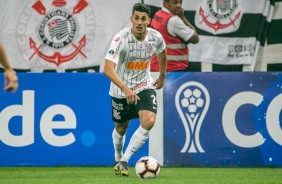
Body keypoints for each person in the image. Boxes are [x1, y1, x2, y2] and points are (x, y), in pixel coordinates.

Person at [103, 3, 167, 177]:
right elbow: (108, 68)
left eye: (143, 19)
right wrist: (125, 88)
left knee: (148, 121)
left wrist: (162, 76)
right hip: (120, 89)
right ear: (131, 19)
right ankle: (117, 157)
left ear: (149, 21)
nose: (139, 22)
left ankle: (125, 160)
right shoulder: (121, 38)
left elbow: (162, 52)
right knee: (121, 127)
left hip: (144, 85)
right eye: (136, 18)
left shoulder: (155, 37)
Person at [150, 0, 199, 72]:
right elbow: (195, 38)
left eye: (180, 2)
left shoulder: (158, 14)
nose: (179, 5)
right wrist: (182, 17)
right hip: (173, 68)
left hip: (157, 66)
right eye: (175, 2)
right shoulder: (173, 21)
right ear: (165, 3)